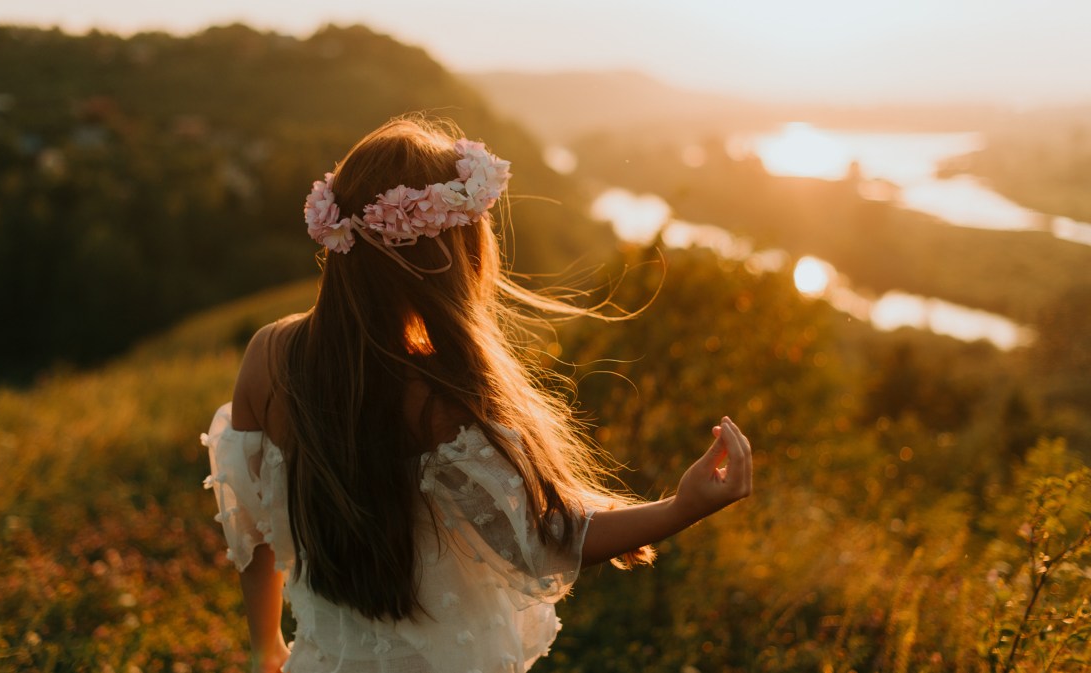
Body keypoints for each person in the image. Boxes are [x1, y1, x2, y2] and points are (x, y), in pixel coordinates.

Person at [202, 116, 753, 673]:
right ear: (455, 252)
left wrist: (265, 645)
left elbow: (250, 529)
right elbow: (543, 542)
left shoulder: (268, 355)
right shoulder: (442, 396)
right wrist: (683, 507)